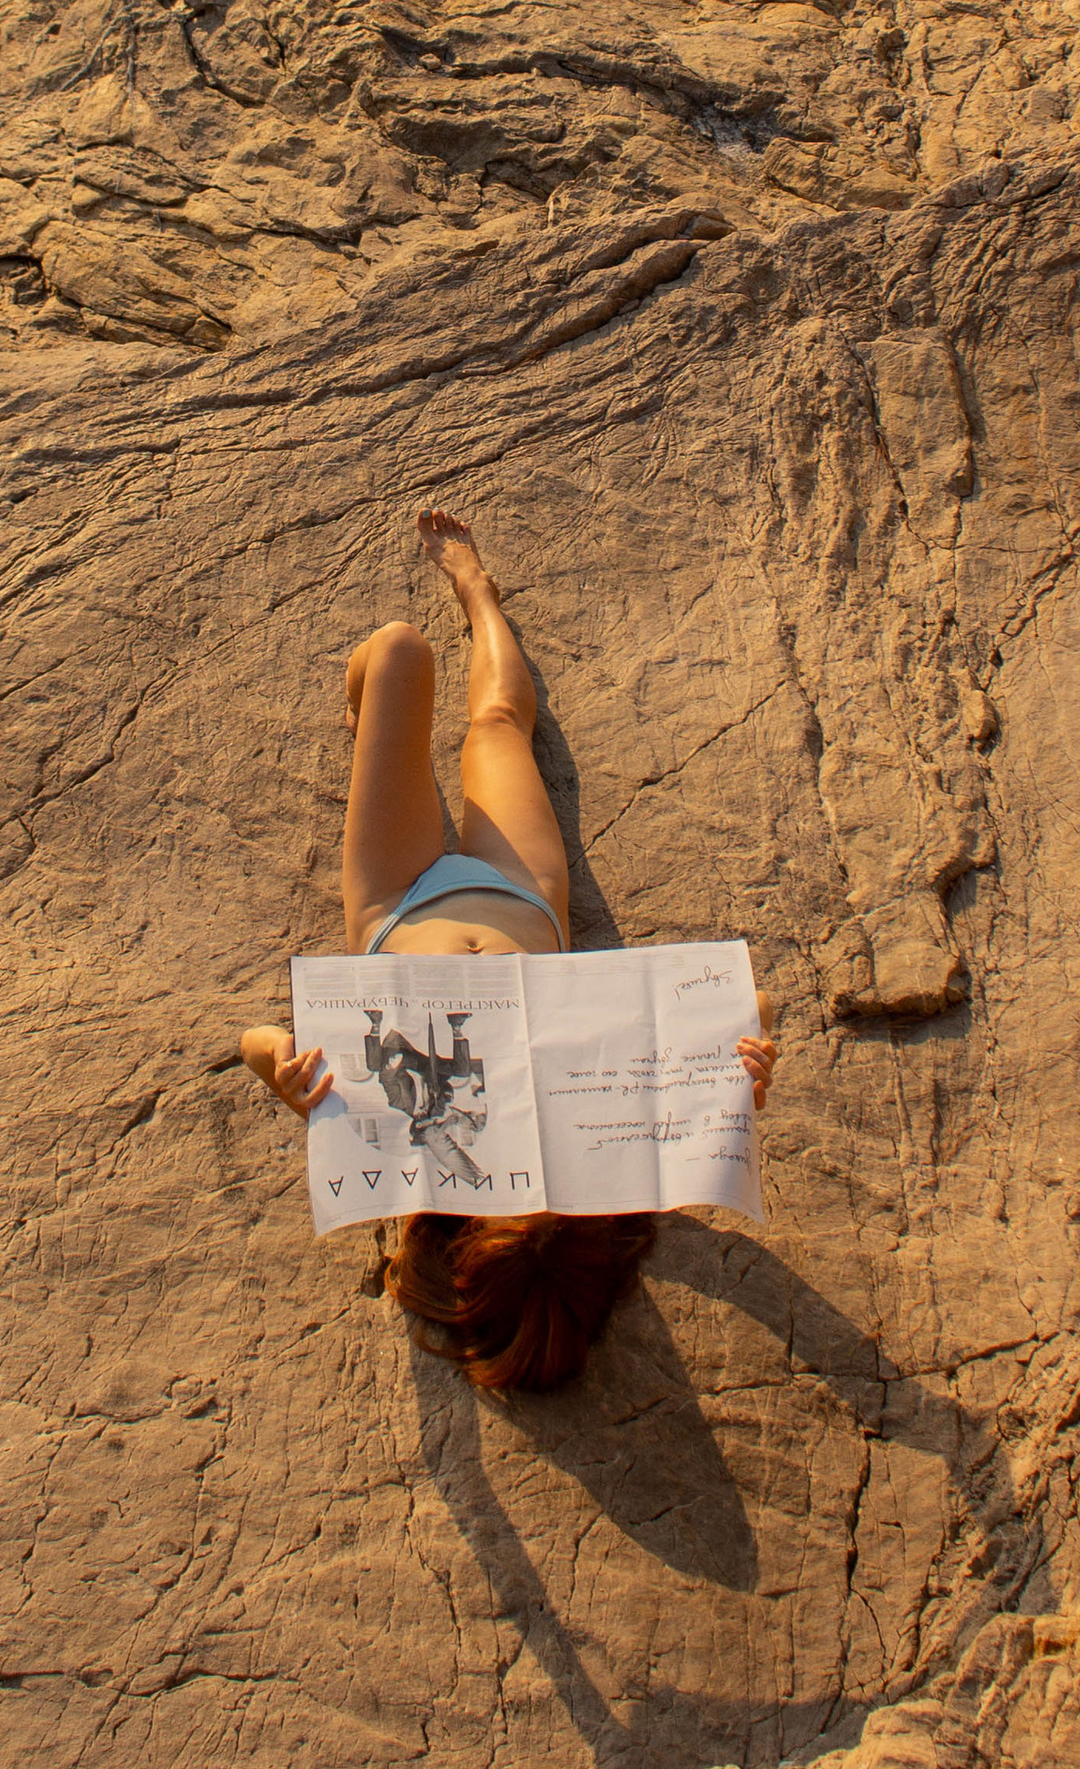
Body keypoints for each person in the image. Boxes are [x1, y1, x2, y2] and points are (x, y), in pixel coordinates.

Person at [243, 509, 777, 1393]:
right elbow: (744, 1008)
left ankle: (369, 712)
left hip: (395, 897)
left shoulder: (406, 1161)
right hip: (525, 897)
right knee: (495, 723)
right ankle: (479, 592)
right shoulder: (613, 1164)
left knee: (399, 651)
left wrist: (282, 1074)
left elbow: (250, 1037)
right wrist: (747, 1064)